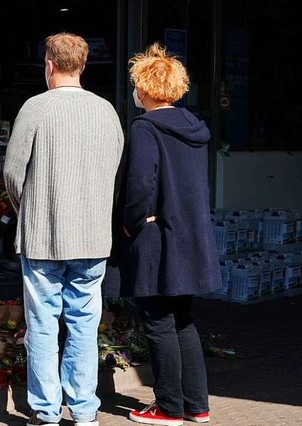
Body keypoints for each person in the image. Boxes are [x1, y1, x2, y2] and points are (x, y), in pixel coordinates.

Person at [4, 32, 124, 426]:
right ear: (83, 65)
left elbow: (12, 174)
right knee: (84, 327)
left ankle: (46, 412)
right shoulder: (107, 110)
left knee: (41, 327)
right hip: (92, 235)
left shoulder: (36, 108)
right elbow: (114, 172)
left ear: (49, 65)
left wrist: (29, 211)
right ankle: (86, 411)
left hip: (44, 237)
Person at [114, 43, 222, 425]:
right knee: (183, 320)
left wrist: (131, 220)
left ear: (144, 88)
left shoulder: (146, 128)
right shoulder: (194, 130)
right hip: (189, 237)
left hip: (156, 238)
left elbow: (141, 182)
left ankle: (169, 407)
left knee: (158, 321)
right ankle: (197, 405)